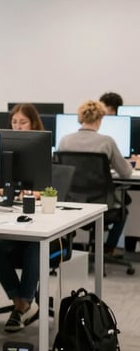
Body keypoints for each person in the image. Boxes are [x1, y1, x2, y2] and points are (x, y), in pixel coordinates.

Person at [0, 102, 45, 332]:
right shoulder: (4, 151)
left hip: (44, 229)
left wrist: (36, 193)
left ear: (33, 124)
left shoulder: (43, 150)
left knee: (35, 246)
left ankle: (24, 305)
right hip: (13, 220)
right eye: (14, 122)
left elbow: (50, 190)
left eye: (23, 122)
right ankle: (21, 303)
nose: (18, 127)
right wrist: (3, 189)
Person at [58, 99, 133, 253]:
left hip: (72, 201)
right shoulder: (107, 142)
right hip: (101, 203)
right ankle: (109, 248)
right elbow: (126, 173)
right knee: (124, 210)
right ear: (99, 119)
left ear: (80, 118)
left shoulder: (65, 140)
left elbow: (61, 174)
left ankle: (67, 248)